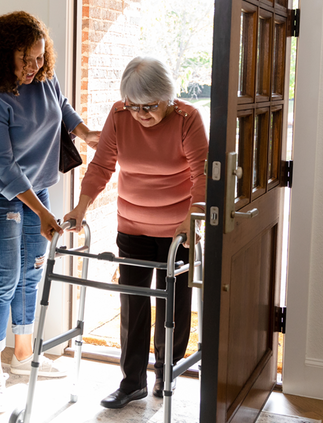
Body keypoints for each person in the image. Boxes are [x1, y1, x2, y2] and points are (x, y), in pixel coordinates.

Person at [0, 11, 99, 414]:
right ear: (3, 55)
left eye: (40, 57)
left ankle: (22, 356)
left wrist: (85, 132)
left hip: (36, 187)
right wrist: (41, 212)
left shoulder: (43, 78)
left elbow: (62, 106)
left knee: (32, 269)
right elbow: (2, 168)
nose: (34, 66)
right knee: (3, 279)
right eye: (26, 59)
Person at [64, 56, 208, 409]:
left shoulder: (187, 120)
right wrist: (81, 207)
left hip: (177, 233)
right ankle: (132, 382)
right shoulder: (119, 115)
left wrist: (193, 218)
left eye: (149, 106)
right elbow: (101, 165)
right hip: (132, 226)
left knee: (173, 304)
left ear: (168, 97)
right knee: (133, 303)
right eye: (134, 105)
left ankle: (166, 374)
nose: (141, 114)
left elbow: (202, 172)